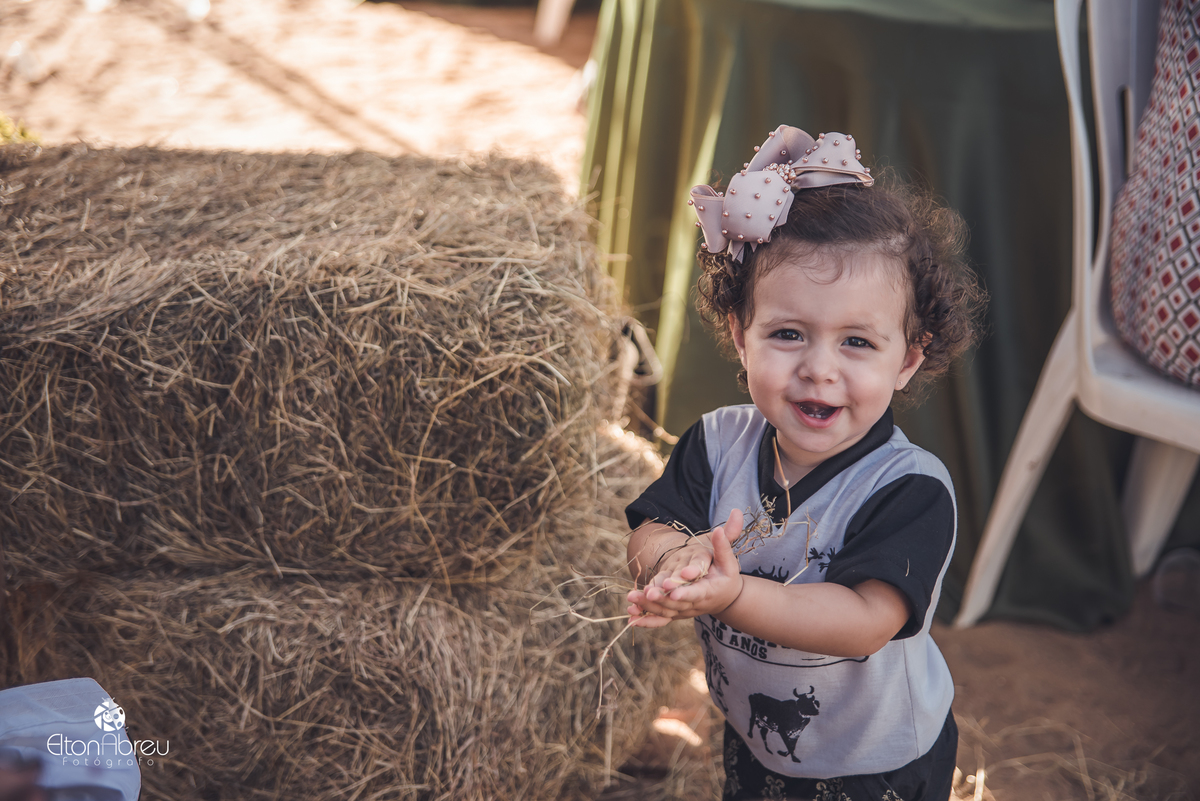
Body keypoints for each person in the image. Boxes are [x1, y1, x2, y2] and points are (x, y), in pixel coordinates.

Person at [624, 125, 984, 801]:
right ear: (741, 337)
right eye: (788, 334)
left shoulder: (908, 487)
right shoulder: (716, 443)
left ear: (907, 359)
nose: (819, 369)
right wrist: (672, 561)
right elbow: (652, 527)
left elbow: (863, 621)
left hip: (875, 761)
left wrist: (732, 595)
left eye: (857, 342)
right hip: (757, 733)